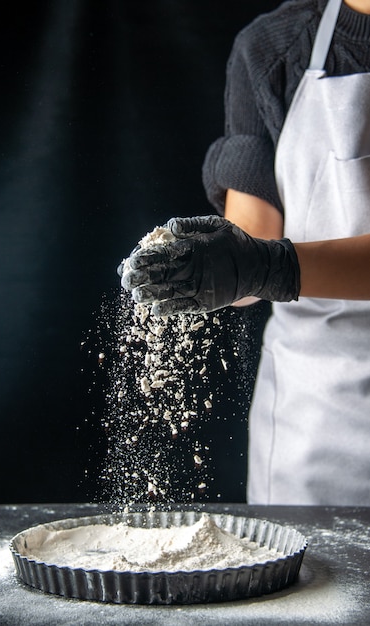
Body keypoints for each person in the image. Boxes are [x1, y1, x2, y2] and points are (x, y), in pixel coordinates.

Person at [120, 0, 370, 506]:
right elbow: (251, 240)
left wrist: (268, 266)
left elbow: (264, 261)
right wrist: (216, 267)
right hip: (319, 423)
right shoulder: (271, 48)